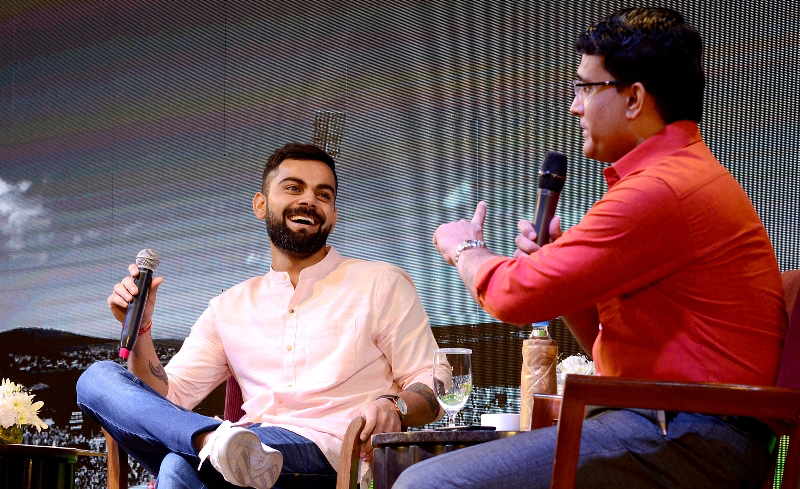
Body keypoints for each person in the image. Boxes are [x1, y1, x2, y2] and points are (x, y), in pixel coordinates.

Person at [395, 7, 786, 489]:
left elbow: (513, 295)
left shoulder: (661, 189)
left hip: (691, 437)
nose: (575, 106)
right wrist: (563, 276)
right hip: (677, 427)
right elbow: (605, 342)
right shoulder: (674, 178)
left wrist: (467, 249)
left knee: (425, 484)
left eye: (585, 88)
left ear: (633, 98)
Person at [76, 143, 443, 489]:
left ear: (333, 215)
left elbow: (433, 383)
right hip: (248, 455)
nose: (309, 200)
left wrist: (394, 404)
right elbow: (169, 399)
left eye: (323, 194)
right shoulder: (229, 307)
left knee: (180, 464)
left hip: (334, 457)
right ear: (261, 205)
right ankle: (212, 442)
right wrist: (140, 329)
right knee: (96, 379)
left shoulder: (380, 282)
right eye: (294, 188)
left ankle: (215, 445)